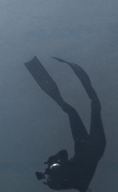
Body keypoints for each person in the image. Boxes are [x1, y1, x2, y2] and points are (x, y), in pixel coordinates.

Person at [25, 57, 106, 192]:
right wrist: (52, 162)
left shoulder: (67, 184)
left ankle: (74, 69)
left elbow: (64, 159)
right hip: (89, 147)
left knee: (90, 107)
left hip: (91, 147)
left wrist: (52, 165)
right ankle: (42, 68)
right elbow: (63, 153)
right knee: (77, 110)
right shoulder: (60, 182)